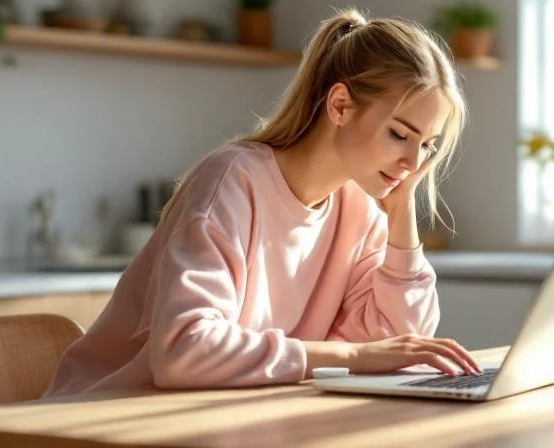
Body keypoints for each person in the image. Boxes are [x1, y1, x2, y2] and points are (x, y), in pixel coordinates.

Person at [43, 8, 482, 398]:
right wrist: (350, 354)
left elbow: (396, 345)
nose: (412, 162)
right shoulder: (233, 182)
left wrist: (402, 217)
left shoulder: (361, 209)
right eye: (400, 135)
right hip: (101, 418)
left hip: (220, 417)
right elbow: (183, 351)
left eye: (428, 145)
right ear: (341, 105)